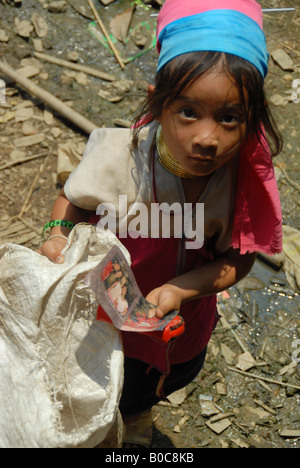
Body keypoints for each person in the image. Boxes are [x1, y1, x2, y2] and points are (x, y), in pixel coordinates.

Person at [38, 0, 283, 447]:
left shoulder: (242, 182)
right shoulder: (115, 156)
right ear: (158, 100)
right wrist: (55, 235)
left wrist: (179, 290)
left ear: (252, 119)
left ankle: (135, 423)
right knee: (95, 385)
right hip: (100, 320)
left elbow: (237, 259)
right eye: (188, 112)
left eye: (229, 118)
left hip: (177, 328)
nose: (207, 138)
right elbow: (70, 202)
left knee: (146, 391)